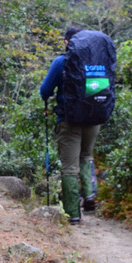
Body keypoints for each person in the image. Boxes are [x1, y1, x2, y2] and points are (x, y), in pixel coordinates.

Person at [39, 26, 102, 225]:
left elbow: (45, 90)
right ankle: (90, 195)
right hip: (94, 119)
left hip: (69, 120)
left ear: (67, 42)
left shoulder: (62, 61)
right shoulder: (97, 61)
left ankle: (73, 214)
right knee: (87, 156)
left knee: (68, 168)